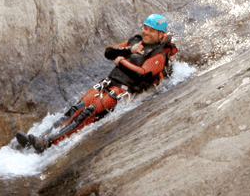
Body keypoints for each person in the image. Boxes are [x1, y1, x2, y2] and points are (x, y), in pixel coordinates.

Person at [15, 14, 177, 153]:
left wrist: (122, 62)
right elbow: (109, 51)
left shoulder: (159, 54)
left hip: (122, 92)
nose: (145, 32)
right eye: (145, 27)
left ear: (160, 34)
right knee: (75, 109)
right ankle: (38, 138)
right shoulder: (135, 41)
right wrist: (129, 51)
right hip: (107, 84)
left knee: (88, 113)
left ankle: (47, 143)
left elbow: (143, 73)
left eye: (151, 30)